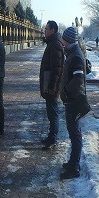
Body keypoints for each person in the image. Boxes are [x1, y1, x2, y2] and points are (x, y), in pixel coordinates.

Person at [58, 27, 89, 180]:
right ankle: (72, 162)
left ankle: (74, 166)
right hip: (72, 98)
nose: (61, 41)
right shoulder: (72, 53)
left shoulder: (75, 56)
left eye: (63, 38)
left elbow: (78, 80)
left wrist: (65, 90)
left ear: (68, 39)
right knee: (73, 132)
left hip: (74, 99)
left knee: (75, 133)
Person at [40, 21, 64, 149]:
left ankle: (53, 138)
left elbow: (57, 69)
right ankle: (51, 136)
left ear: (53, 30)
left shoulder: (55, 45)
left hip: (51, 87)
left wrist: (52, 88)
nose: (45, 31)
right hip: (49, 85)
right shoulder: (52, 43)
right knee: (50, 112)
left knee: (53, 112)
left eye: (47, 29)